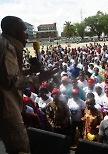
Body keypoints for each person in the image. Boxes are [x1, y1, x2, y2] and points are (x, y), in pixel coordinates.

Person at [0, 16, 58, 154]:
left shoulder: (6, 44)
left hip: (8, 104)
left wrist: (30, 71)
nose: (26, 34)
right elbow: (11, 82)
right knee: (20, 148)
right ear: (12, 30)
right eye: (23, 30)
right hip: (6, 108)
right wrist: (38, 78)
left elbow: (9, 74)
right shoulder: (7, 47)